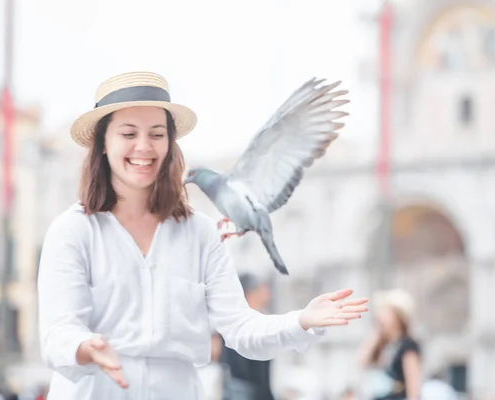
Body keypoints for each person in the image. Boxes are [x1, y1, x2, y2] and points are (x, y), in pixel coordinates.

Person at [36, 71, 369, 400]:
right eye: (128, 133)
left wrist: (302, 320)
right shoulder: (72, 231)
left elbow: (240, 329)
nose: (143, 146)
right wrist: (85, 347)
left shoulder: (200, 232)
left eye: (156, 134)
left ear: (169, 144)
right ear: (103, 144)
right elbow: (57, 333)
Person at [357, 288, 421, 400]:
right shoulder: (382, 344)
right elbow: (362, 361)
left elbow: (413, 383)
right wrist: (376, 334)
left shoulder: (407, 345)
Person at [220, 273, 275, 399]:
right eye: (262, 288)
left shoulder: (232, 318)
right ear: (250, 292)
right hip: (246, 391)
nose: (267, 293)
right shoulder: (247, 322)